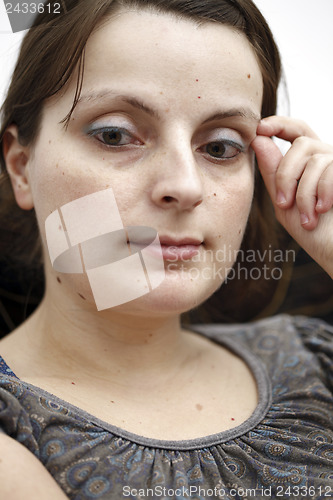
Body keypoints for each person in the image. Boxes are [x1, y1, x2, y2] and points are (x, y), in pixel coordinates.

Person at [0, 0, 332, 498]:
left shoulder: (318, 358)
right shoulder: (12, 434)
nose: (184, 186)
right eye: (115, 135)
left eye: (220, 146)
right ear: (21, 166)